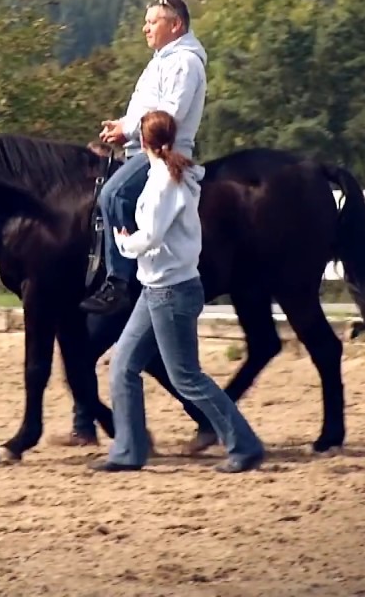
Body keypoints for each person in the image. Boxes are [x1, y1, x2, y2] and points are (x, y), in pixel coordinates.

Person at [89, 110, 264, 475]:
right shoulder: (170, 175)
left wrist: (123, 242)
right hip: (156, 288)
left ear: (143, 141)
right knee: (123, 365)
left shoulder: (164, 183)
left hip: (171, 291)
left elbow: (151, 236)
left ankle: (245, 445)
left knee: (186, 376)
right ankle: (128, 451)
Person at [80, 0, 208, 316]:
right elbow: (146, 108)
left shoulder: (184, 63)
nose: (145, 28)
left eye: (152, 22)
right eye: (146, 22)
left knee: (113, 194)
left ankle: (119, 282)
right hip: (142, 146)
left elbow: (169, 117)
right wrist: (122, 125)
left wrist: (128, 130)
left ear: (176, 25)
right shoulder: (162, 60)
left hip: (163, 151)